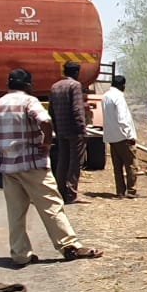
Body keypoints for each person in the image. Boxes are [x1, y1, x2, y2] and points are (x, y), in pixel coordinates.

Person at [0, 69, 103, 266]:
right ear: (28, 85)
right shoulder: (29, 101)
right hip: (33, 163)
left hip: (8, 166)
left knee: (15, 212)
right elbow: (45, 120)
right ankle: (69, 246)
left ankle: (20, 254)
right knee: (51, 205)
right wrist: (47, 142)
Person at [49, 61, 89, 205]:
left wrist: (56, 127)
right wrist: (82, 129)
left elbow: (51, 111)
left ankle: (60, 192)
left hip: (61, 130)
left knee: (62, 161)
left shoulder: (55, 87)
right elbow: (77, 110)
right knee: (75, 163)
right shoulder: (75, 86)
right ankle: (71, 194)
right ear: (76, 73)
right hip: (74, 131)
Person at [102, 75, 138, 198]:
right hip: (123, 137)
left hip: (112, 136)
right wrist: (129, 135)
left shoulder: (105, 96)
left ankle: (120, 192)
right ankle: (132, 191)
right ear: (122, 85)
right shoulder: (118, 97)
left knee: (117, 167)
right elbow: (122, 118)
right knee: (131, 164)